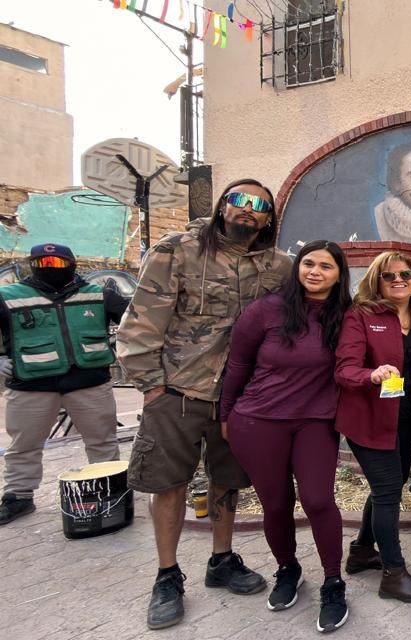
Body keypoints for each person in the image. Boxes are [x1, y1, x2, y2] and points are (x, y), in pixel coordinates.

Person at [117, 178, 291, 630]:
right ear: (222, 206)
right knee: (169, 483)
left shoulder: (279, 266)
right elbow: (141, 322)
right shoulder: (178, 250)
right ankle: (168, 574)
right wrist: (151, 386)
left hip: (239, 398)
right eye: (238, 200)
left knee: (228, 480)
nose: (247, 210)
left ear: (269, 217)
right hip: (177, 390)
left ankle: (222, 558)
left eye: (259, 205)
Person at [220, 240, 351, 632]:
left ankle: (333, 582)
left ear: (338, 274)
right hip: (258, 421)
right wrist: (226, 415)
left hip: (315, 422)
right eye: (308, 263)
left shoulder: (347, 316)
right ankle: (288, 569)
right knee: (276, 505)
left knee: (318, 500)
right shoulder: (266, 311)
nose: (315, 272)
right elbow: (237, 364)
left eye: (326, 266)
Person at [0, 243, 129, 525]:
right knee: (24, 446)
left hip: (89, 383)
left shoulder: (98, 295)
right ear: (32, 264)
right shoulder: (8, 296)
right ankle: (18, 497)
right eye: (42, 263)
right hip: (31, 385)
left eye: (57, 263)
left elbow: (137, 323)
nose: (50, 268)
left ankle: (111, 493)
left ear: (70, 265)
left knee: (103, 443)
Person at [334, 251, 411, 603]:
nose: (398, 281)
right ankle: (393, 574)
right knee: (389, 491)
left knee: (387, 488)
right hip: (368, 420)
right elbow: (345, 369)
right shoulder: (361, 315)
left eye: (405, 275)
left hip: (405, 420)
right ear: (377, 280)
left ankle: (362, 551)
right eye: (389, 276)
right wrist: (371, 374)